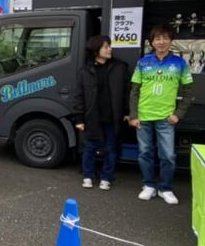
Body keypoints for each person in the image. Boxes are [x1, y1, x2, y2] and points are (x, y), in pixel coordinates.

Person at [129, 24, 194, 205]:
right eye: (157, 38)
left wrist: (178, 114)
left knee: (168, 156)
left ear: (171, 41)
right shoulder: (143, 62)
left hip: (167, 118)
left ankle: (166, 188)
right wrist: (134, 115)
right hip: (143, 116)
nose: (162, 42)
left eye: (165, 38)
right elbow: (134, 91)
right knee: (145, 153)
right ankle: (148, 185)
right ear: (152, 42)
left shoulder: (180, 63)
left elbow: (189, 92)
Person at [74, 35, 130, 190]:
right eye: (106, 47)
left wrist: (127, 112)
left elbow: (127, 92)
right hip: (92, 117)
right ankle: (87, 176)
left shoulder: (120, 67)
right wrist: (79, 118)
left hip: (113, 116)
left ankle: (106, 177)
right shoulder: (85, 71)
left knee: (111, 148)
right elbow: (79, 96)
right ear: (95, 50)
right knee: (90, 147)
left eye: (109, 46)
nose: (110, 49)